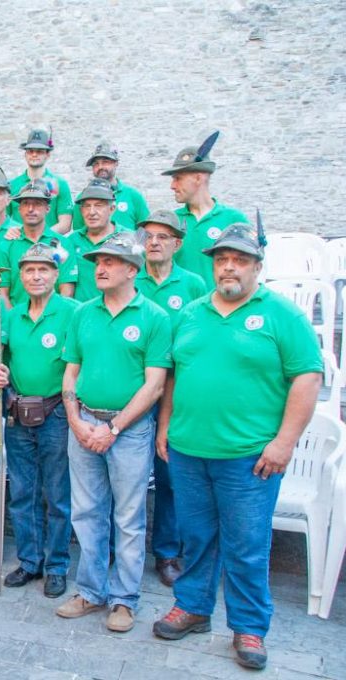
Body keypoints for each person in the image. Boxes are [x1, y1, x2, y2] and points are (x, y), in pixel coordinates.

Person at [153, 223, 321, 671]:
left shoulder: (282, 316)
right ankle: (192, 607)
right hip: (188, 451)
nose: (229, 267)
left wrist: (285, 442)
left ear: (257, 267)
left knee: (247, 545)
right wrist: (165, 426)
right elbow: (173, 376)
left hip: (250, 459)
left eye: (240, 259)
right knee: (196, 538)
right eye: (222, 259)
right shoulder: (190, 314)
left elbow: (307, 377)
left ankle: (248, 627)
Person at [57, 232, 172, 633]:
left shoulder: (154, 317)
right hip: (84, 422)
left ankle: (124, 599)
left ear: (132, 269)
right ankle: (90, 591)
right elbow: (70, 369)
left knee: (128, 517)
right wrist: (75, 419)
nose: (100, 269)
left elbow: (155, 384)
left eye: (109, 262)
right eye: (97, 262)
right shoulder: (83, 312)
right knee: (87, 513)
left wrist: (114, 427)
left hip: (130, 430)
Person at [0, 242, 78, 598]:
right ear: (21, 277)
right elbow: (1, 357)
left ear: (56, 274)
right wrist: (1, 375)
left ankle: (56, 564)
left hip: (56, 413)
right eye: (29, 270)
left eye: (43, 269)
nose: (36, 276)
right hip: (19, 412)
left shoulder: (73, 311)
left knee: (56, 494)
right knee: (23, 491)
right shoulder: (11, 316)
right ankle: (29, 561)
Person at [134, 209, 207, 586]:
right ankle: (122, 549)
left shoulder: (193, 284)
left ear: (178, 243)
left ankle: (166, 552)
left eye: (164, 236)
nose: (155, 242)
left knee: (169, 476)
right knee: (128, 478)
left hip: (174, 391)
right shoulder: (131, 277)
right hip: (134, 391)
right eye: (149, 235)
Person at [162, 134, 248, 286]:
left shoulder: (234, 220)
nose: (172, 186)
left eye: (178, 178)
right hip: (181, 307)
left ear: (198, 178)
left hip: (221, 307)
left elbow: (252, 268)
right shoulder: (169, 221)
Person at [0, 180, 77, 309]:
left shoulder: (63, 244)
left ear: (47, 208)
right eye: (25, 204)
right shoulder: (6, 245)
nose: (31, 209)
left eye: (37, 204)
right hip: (18, 321)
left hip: (54, 320)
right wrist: (14, 320)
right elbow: (2, 293)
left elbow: (67, 290)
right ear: (19, 209)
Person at [71, 140, 149, 232]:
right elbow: (79, 232)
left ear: (116, 163)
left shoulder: (133, 196)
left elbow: (146, 230)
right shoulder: (83, 198)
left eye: (105, 162)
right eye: (96, 164)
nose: (100, 167)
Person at [7, 128, 74, 233]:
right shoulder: (11, 185)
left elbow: (65, 224)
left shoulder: (60, 184)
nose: (34, 154)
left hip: (49, 244)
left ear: (48, 155)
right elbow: (4, 220)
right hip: (18, 242)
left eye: (39, 151)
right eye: (30, 151)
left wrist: (41, 236)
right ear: (25, 154)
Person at [67, 179, 120, 301]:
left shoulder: (128, 239)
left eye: (98, 206)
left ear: (112, 209)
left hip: (119, 315)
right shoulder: (71, 241)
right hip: (82, 316)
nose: (91, 212)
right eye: (86, 206)